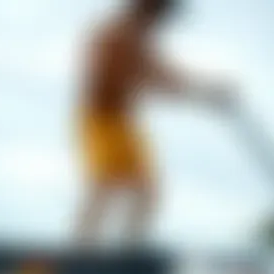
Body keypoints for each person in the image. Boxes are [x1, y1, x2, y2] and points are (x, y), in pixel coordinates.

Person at [74, 0, 236, 247]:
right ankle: (81, 251)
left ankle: (128, 254)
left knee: (147, 192)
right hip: (99, 118)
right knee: (106, 184)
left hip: (123, 122)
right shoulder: (116, 33)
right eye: (159, 14)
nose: (159, 23)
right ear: (146, 9)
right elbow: (147, 76)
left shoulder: (139, 41)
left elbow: (163, 75)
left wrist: (207, 92)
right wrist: (203, 92)